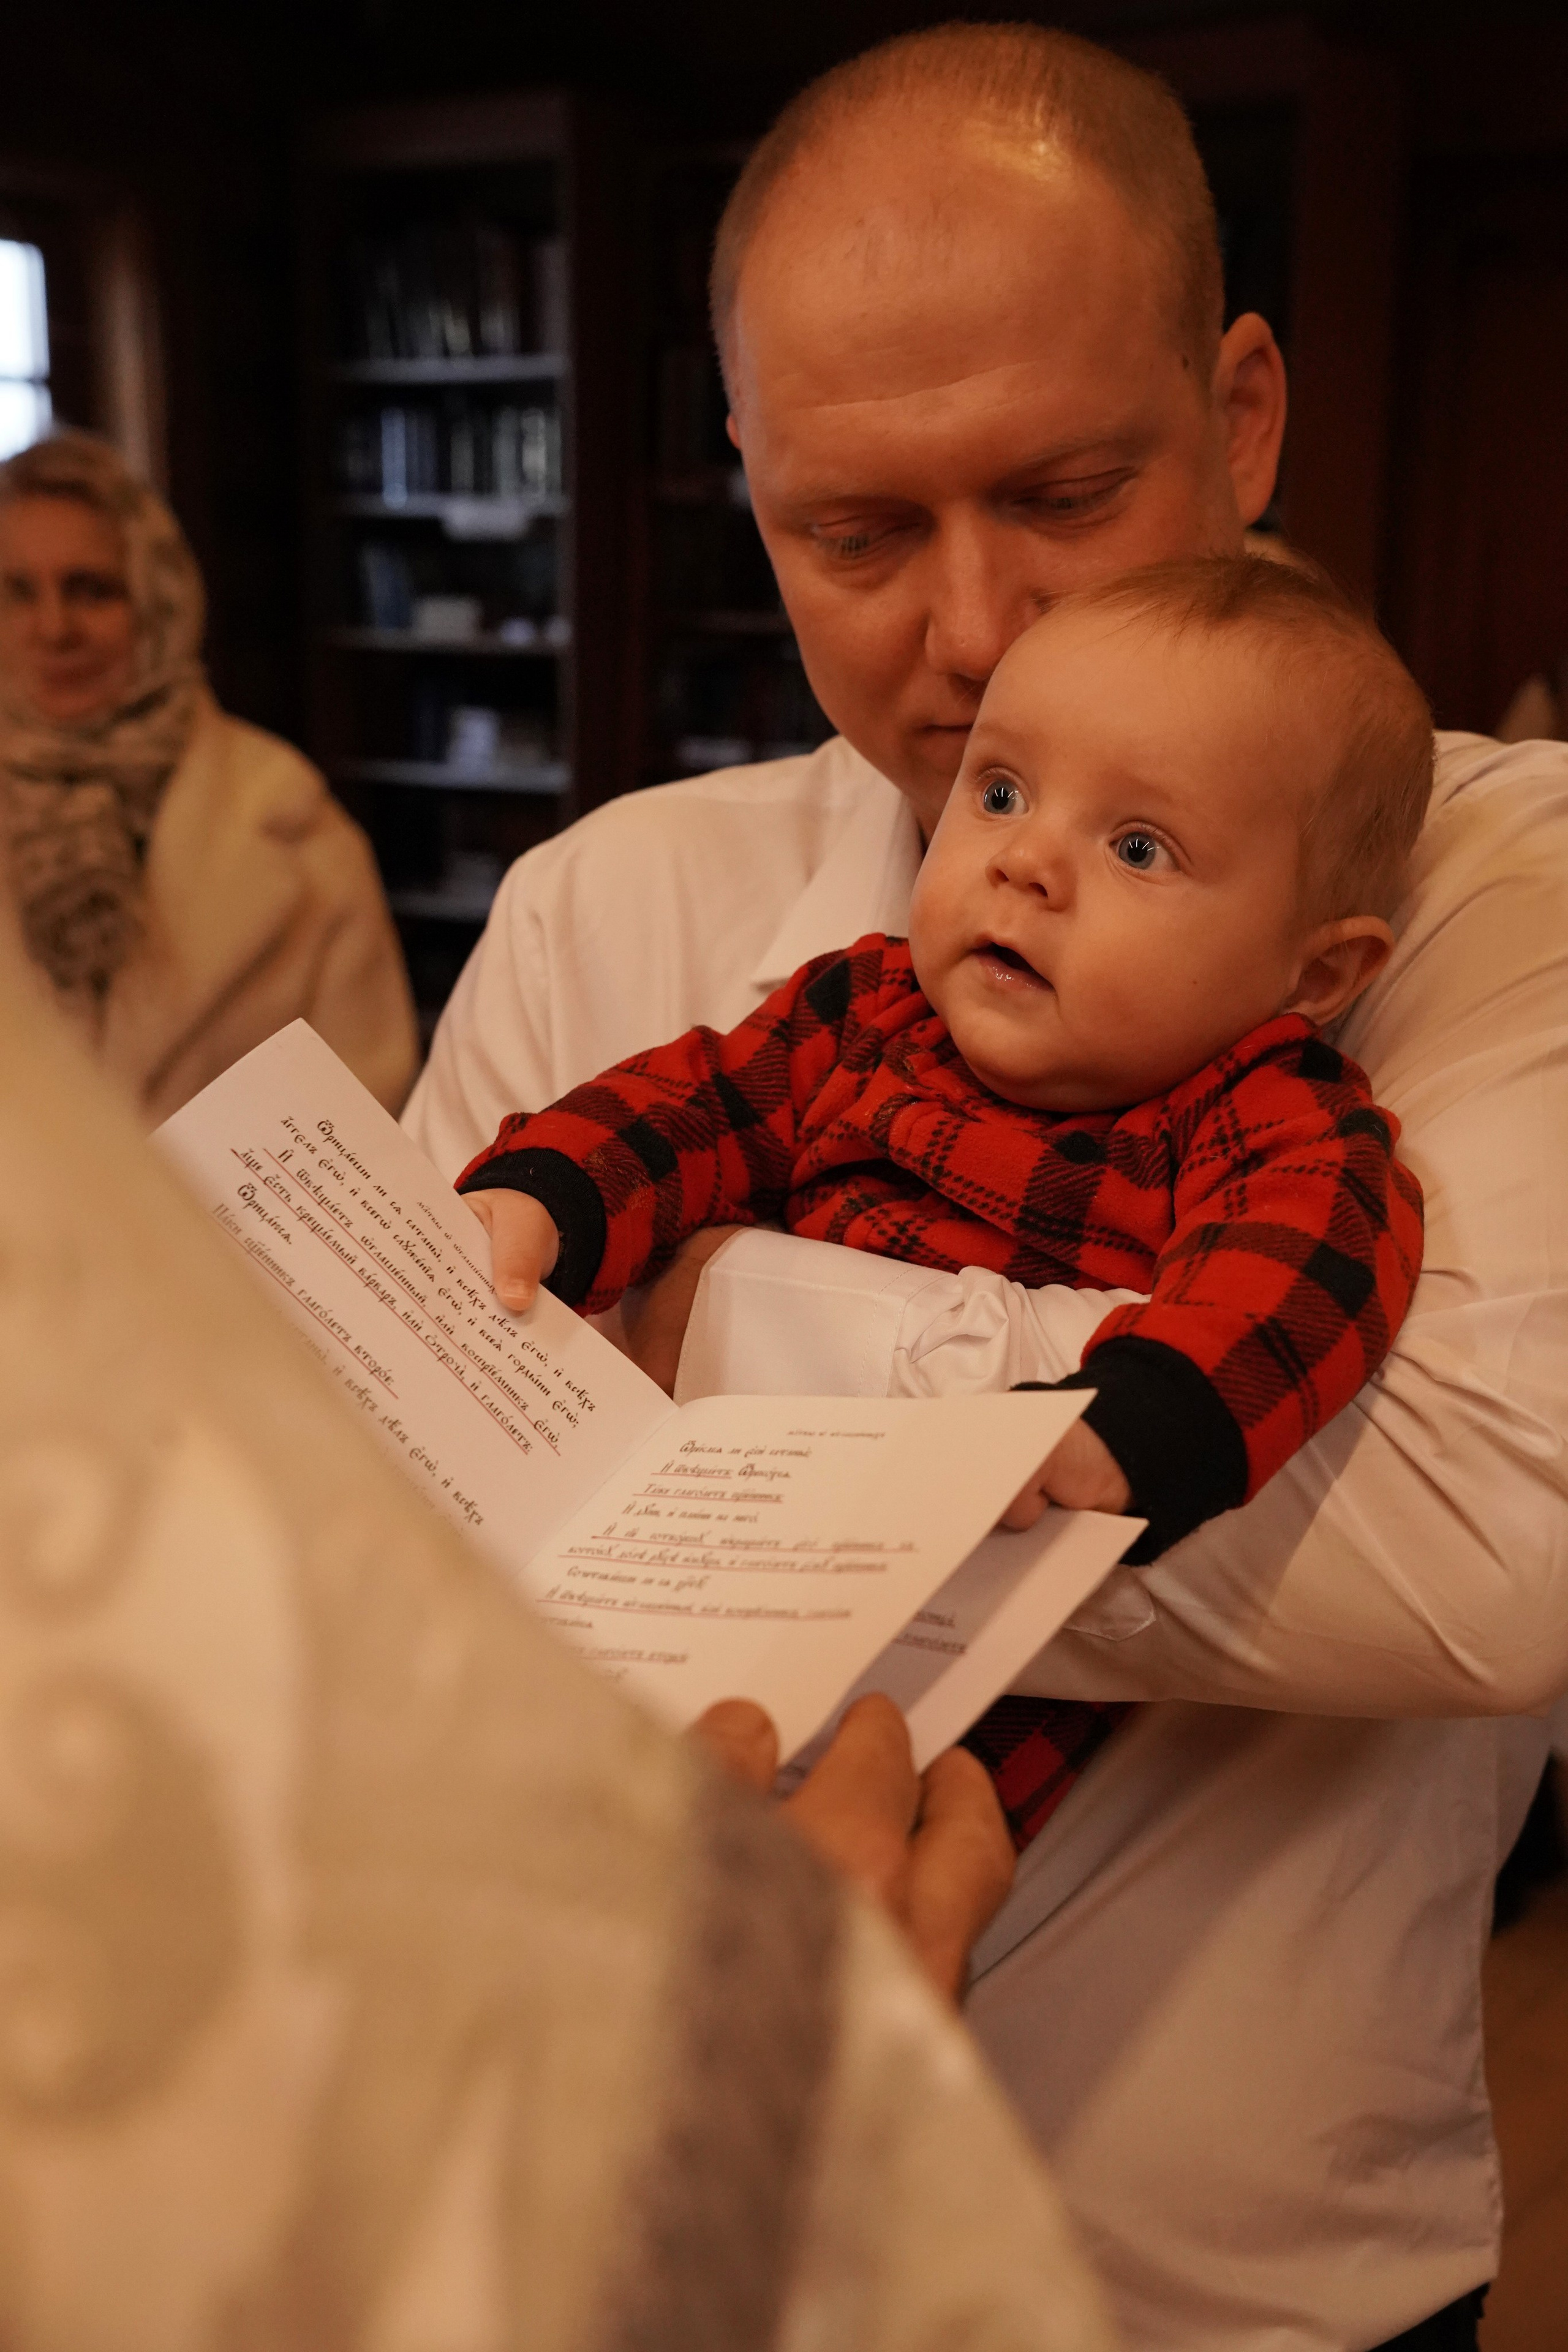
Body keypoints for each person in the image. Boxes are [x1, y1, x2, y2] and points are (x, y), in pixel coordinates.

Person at [404, 25, 1568, 2350]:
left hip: (1233, 2281)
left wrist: (699, 1324)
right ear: (749, 493)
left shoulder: (1496, 878)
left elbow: (1485, 1544)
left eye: (1061, 489)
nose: (972, 635)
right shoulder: (606, 899)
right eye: (853, 533)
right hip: (655, 2220)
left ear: (1240, 413)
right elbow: (429, 1487)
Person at [0, 883, 1112, 2350]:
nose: (1028, 863)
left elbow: (1403, 1547)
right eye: (997, 791)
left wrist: (728, 1292)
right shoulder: (627, 902)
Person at [459, 558, 1427, 1588]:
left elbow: (1295, 1288)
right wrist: (552, 1196)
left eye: (1139, 849)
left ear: (1316, 973)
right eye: (1002, 793)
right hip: (701, 1535)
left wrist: (1126, 1430)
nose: (1025, 862)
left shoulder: (1265, 1116)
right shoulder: (867, 1010)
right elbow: (688, 1108)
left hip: (982, 1593)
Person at [0, 429, 418, 1121]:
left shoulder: (292, 819)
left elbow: (360, 1120)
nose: (54, 629)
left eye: (92, 590)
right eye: (17, 592)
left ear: (158, 602)